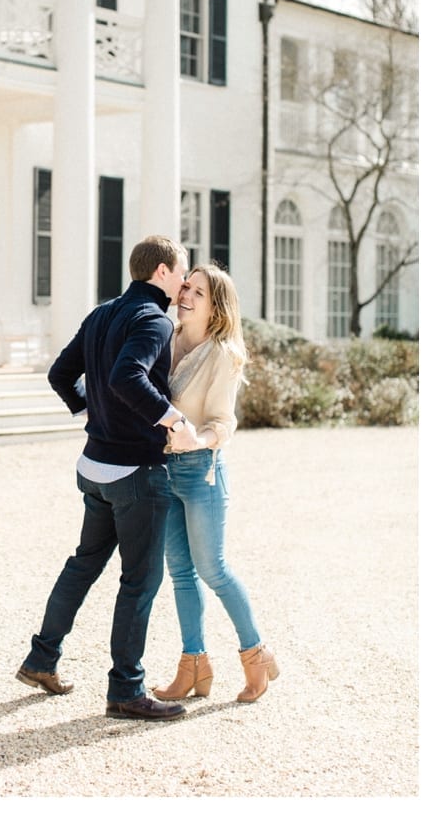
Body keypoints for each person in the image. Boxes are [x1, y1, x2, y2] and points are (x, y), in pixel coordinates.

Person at [16, 235, 192, 720]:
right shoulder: (154, 319)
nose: (184, 280)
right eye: (181, 271)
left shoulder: (101, 314)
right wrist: (173, 419)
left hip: (94, 467)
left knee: (83, 565)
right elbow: (126, 376)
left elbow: (59, 373)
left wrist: (90, 408)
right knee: (139, 582)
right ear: (160, 271)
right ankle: (126, 691)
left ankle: (41, 659)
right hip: (135, 471)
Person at [151, 264, 279, 704]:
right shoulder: (166, 337)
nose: (185, 294)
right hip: (163, 471)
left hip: (201, 471)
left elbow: (224, 422)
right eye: (185, 286)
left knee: (213, 570)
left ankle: (256, 655)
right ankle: (194, 666)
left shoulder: (224, 352)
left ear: (216, 307)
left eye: (198, 292)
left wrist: (194, 438)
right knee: (180, 575)